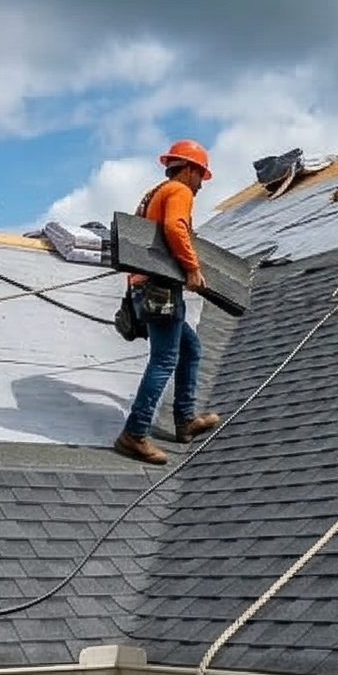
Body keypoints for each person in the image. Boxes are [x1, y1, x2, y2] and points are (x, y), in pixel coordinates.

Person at [114, 140, 224, 465]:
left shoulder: (155, 193)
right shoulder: (179, 191)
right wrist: (192, 268)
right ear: (188, 169)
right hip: (160, 290)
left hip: (144, 288)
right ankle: (134, 433)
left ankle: (185, 420)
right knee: (164, 360)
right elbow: (176, 228)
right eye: (200, 175)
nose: (201, 184)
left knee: (190, 348)